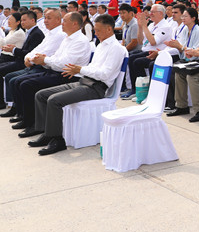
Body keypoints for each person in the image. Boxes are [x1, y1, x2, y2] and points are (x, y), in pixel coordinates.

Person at [28, 14, 127, 155]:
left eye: (98, 30)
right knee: (41, 95)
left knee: (54, 100)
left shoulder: (116, 48)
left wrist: (80, 69)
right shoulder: (101, 45)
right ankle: (47, 133)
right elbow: (93, 67)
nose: (96, 33)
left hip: (97, 87)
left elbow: (105, 74)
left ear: (109, 29)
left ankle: (57, 140)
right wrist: (79, 70)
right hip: (85, 81)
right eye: (95, 30)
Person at [11, 12, 92, 138]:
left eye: (65, 21)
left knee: (27, 85)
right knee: (20, 82)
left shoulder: (80, 41)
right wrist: (43, 60)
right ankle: (29, 120)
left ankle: (35, 124)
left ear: (75, 23)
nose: (62, 24)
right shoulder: (67, 38)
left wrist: (44, 60)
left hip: (69, 76)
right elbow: (56, 57)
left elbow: (64, 63)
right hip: (56, 71)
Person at [0, 10, 45, 113]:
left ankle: (5, 103)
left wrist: (13, 49)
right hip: (18, 58)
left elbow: (28, 52)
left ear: (33, 20)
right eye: (22, 20)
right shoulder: (27, 32)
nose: (22, 22)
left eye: (24, 20)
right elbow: (0, 45)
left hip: (21, 61)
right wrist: (13, 49)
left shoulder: (34, 33)